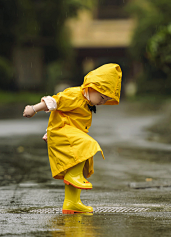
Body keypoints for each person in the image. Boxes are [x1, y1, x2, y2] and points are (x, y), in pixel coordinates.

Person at [23, 63, 122, 214]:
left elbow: (66, 117)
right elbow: (54, 102)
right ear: (91, 86)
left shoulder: (87, 103)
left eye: (105, 100)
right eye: (101, 97)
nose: (102, 102)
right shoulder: (75, 95)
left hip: (68, 134)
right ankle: (73, 176)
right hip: (61, 133)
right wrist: (34, 109)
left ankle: (71, 202)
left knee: (81, 162)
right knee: (87, 144)